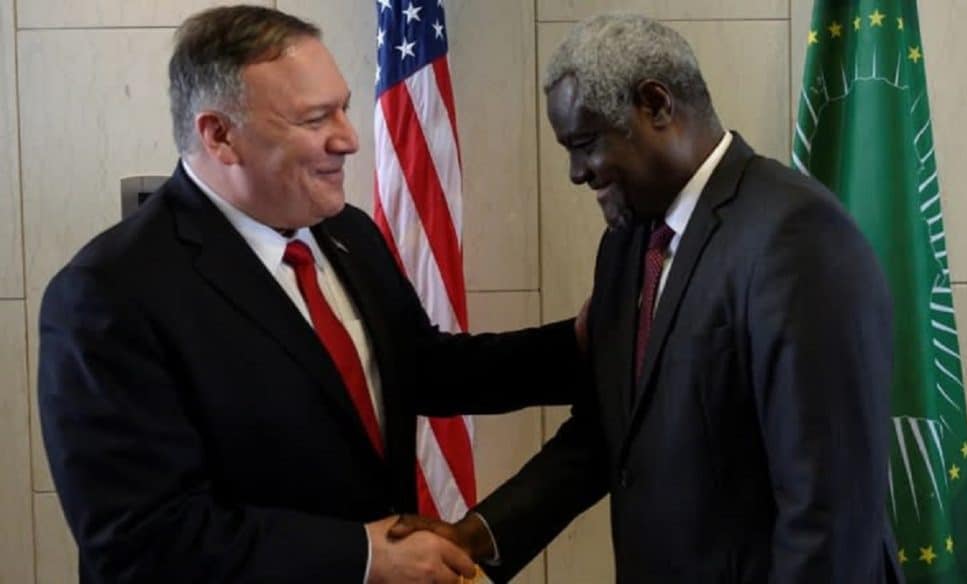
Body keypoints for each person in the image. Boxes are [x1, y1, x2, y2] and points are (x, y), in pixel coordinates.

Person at [36, 5, 582, 583]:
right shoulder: (107, 295)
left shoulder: (348, 232)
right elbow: (144, 542)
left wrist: (578, 345)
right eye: (315, 119)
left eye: (343, 108)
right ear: (220, 135)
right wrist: (364, 557)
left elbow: (423, 368)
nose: (347, 139)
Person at [391, 13, 904, 583]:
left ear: (656, 105)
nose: (575, 173)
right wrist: (479, 534)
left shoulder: (795, 236)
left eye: (585, 144)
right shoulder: (629, 244)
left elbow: (829, 508)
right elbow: (605, 433)